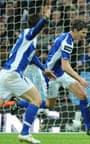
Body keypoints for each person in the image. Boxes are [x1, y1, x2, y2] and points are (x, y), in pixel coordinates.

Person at [6, 19, 90, 135]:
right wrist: (80, 79)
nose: (85, 36)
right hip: (51, 76)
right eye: (83, 33)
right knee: (48, 105)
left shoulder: (65, 36)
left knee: (82, 94)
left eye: (86, 33)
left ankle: (89, 128)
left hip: (60, 73)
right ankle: (20, 103)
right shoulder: (67, 42)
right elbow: (65, 66)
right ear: (75, 30)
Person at [0, 5, 56, 144]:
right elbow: (35, 30)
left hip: (5, 74)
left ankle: (24, 131)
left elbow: (31, 57)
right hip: (14, 74)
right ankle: (24, 133)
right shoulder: (28, 34)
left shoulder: (28, 40)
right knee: (36, 100)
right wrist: (46, 18)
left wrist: (44, 69)